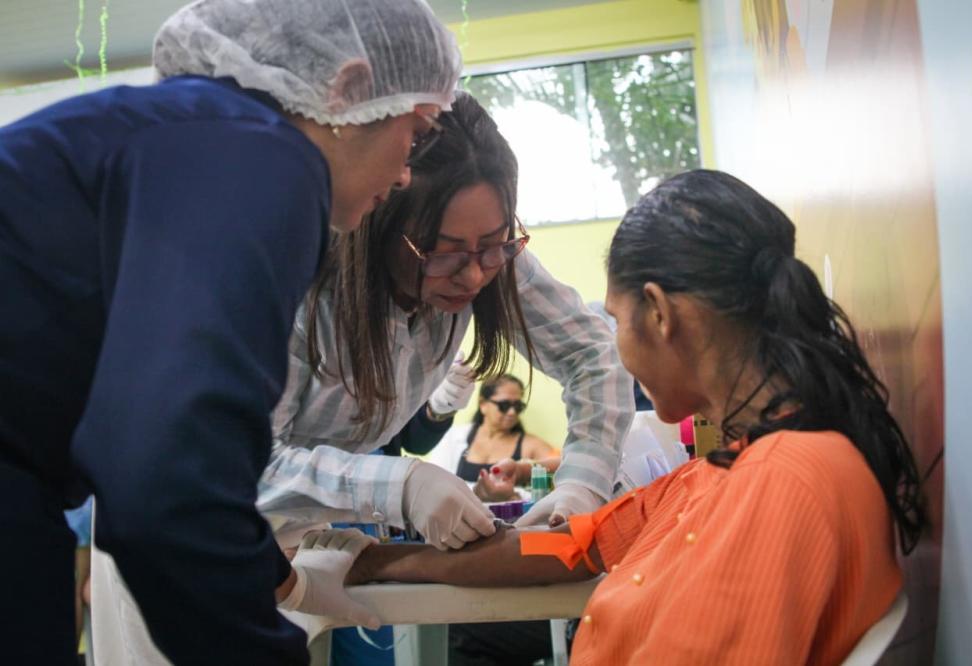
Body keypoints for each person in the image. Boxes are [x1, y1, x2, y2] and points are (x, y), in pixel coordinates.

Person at [0, 0, 461, 662]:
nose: (406, 172)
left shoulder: (200, 137)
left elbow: (156, 442)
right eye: (417, 132)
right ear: (349, 87)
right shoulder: (261, 159)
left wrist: (279, 581)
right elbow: (167, 477)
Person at [338, 169, 928, 664]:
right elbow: (569, 549)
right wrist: (388, 560)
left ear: (660, 313)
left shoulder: (787, 482)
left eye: (615, 322)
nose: (614, 350)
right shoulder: (714, 473)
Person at [255, 91, 636, 547]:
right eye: (443, 252)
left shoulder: (492, 259)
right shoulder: (295, 286)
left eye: (495, 243)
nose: (474, 273)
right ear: (380, 220)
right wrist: (400, 484)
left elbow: (592, 354)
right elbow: (245, 466)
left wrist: (582, 484)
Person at [428, 373, 559, 502]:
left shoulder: (530, 444)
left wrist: (523, 471)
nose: (512, 412)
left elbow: (565, 464)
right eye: (504, 405)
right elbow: (434, 483)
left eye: (518, 406)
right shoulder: (453, 436)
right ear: (483, 404)